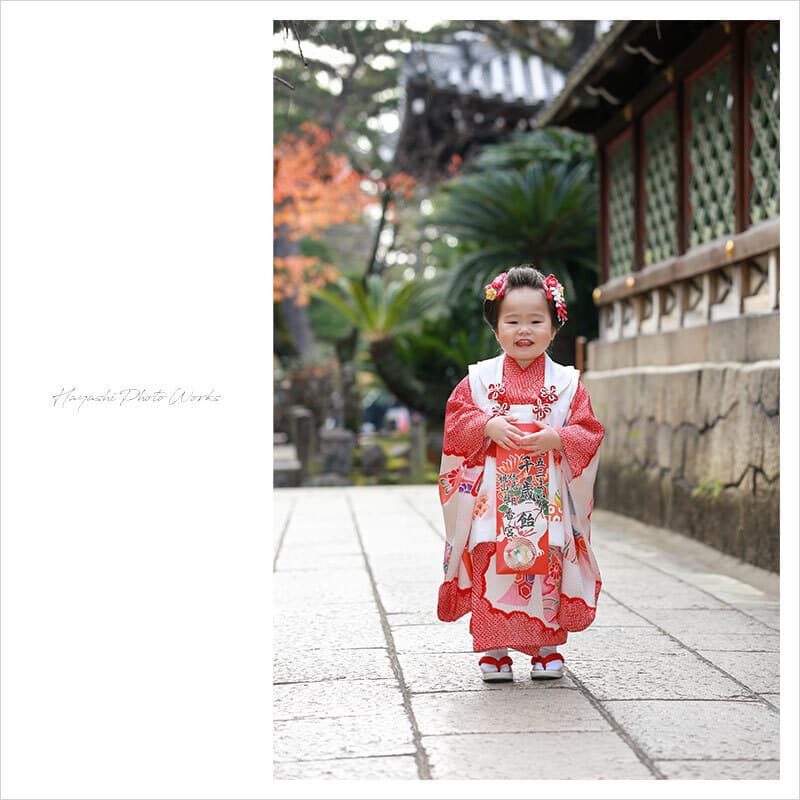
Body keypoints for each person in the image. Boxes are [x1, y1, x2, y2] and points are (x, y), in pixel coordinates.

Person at [436, 265, 604, 682]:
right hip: (492, 497)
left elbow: (589, 431)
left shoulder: (567, 383)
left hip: (545, 496)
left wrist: (559, 438)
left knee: (547, 562)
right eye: (512, 321)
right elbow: (456, 426)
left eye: (535, 320)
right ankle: (494, 650)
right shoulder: (478, 380)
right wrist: (485, 426)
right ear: (496, 329)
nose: (523, 330)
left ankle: (546, 648)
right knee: (489, 557)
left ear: (554, 327)